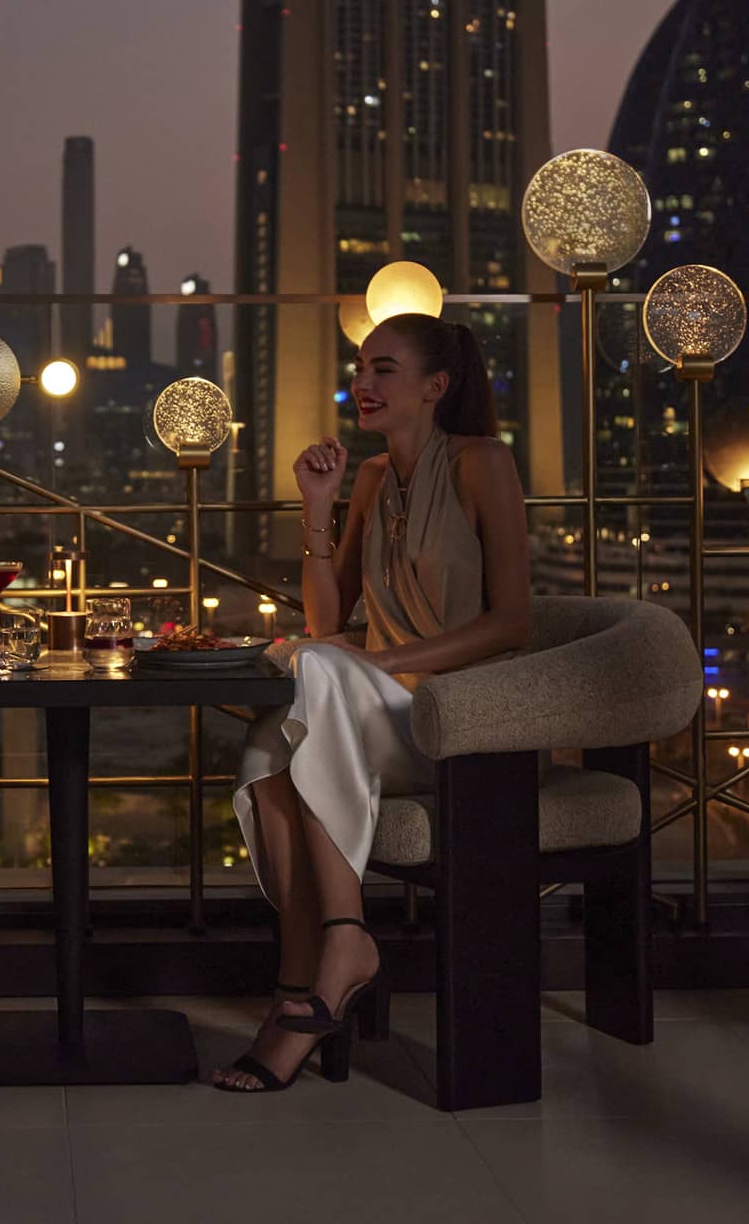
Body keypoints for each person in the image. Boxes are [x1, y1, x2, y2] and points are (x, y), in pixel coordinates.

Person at [213, 313, 531, 1092]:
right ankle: (307, 983)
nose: (363, 382)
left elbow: (512, 622)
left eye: (384, 369)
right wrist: (316, 506)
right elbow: (326, 617)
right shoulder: (368, 478)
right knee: (266, 744)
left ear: (435, 387)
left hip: (461, 720)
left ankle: (341, 944)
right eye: (359, 367)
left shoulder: (483, 464)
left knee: (316, 673)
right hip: (371, 712)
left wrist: (384, 659)